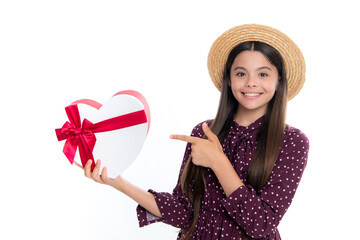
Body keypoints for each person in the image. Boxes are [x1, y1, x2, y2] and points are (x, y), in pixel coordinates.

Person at [82, 24, 310, 240]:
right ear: (228, 80)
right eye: (241, 73)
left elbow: (260, 223)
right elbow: (185, 213)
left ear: (279, 80)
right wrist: (117, 181)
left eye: (263, 74)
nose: (251, 83)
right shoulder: (204, 132)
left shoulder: (291, 141)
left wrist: (218, 162)